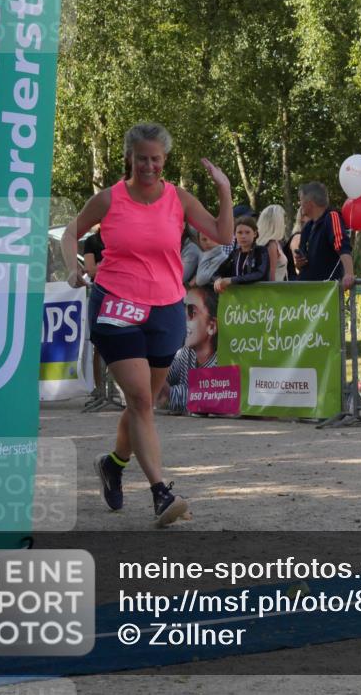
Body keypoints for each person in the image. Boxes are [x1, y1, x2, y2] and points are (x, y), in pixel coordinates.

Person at [62, 122, 233, 525]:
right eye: (142, 159)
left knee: (145, 404)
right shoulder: (109, 199)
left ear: (164, 159)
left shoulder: (178, 198)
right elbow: (71, 233)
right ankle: (160, 493)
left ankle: (113, 464)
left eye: (156, 159)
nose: (149, 166)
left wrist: (224, 190)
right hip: (116, 307)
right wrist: (73, 268)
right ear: (130, 158)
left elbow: (223, 234)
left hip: (165, 310)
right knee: (139, 400)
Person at [157, 285, 219, 414]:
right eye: (182, 310)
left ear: (211, 326)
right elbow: (162, 374)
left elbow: (207, 399)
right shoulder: (186, 352)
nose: (183, 319)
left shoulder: (221, 363)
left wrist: (166, 391)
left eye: (192, 312)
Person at [294, 182, 356, 290]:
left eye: (301, 200)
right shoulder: (307, 227)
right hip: (306, 291)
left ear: (310, 203)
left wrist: (349, 273)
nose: (300, 204)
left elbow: (342, 245)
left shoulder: (332, 217)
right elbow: (301, 264)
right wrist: (299, 263)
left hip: (326, 291)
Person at [81, 225, 106, 394]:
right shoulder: (92, 241)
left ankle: (114, 390)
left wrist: (102, 266)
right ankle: (100, 389)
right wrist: (114, 265)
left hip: (124, 295)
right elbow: (90, 271)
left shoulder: (126, 236)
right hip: (100, 294)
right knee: (99, 343)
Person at [214, 216, 270, 293]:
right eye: (240, 232)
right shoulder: (234, 254)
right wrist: (217, 279)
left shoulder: (261, 251)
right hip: (238, 297)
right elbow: (218, 272)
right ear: (235, 235)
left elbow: (260, 274)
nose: (243, 236)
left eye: (247, 232)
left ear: (254, 234)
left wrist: (232, 280)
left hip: (258, 295)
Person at [256, 204, 288, 282]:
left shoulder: (266, 242)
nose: (284, 223)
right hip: (276, 287)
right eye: (283, 219)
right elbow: (271, 273)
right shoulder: (271, 244)